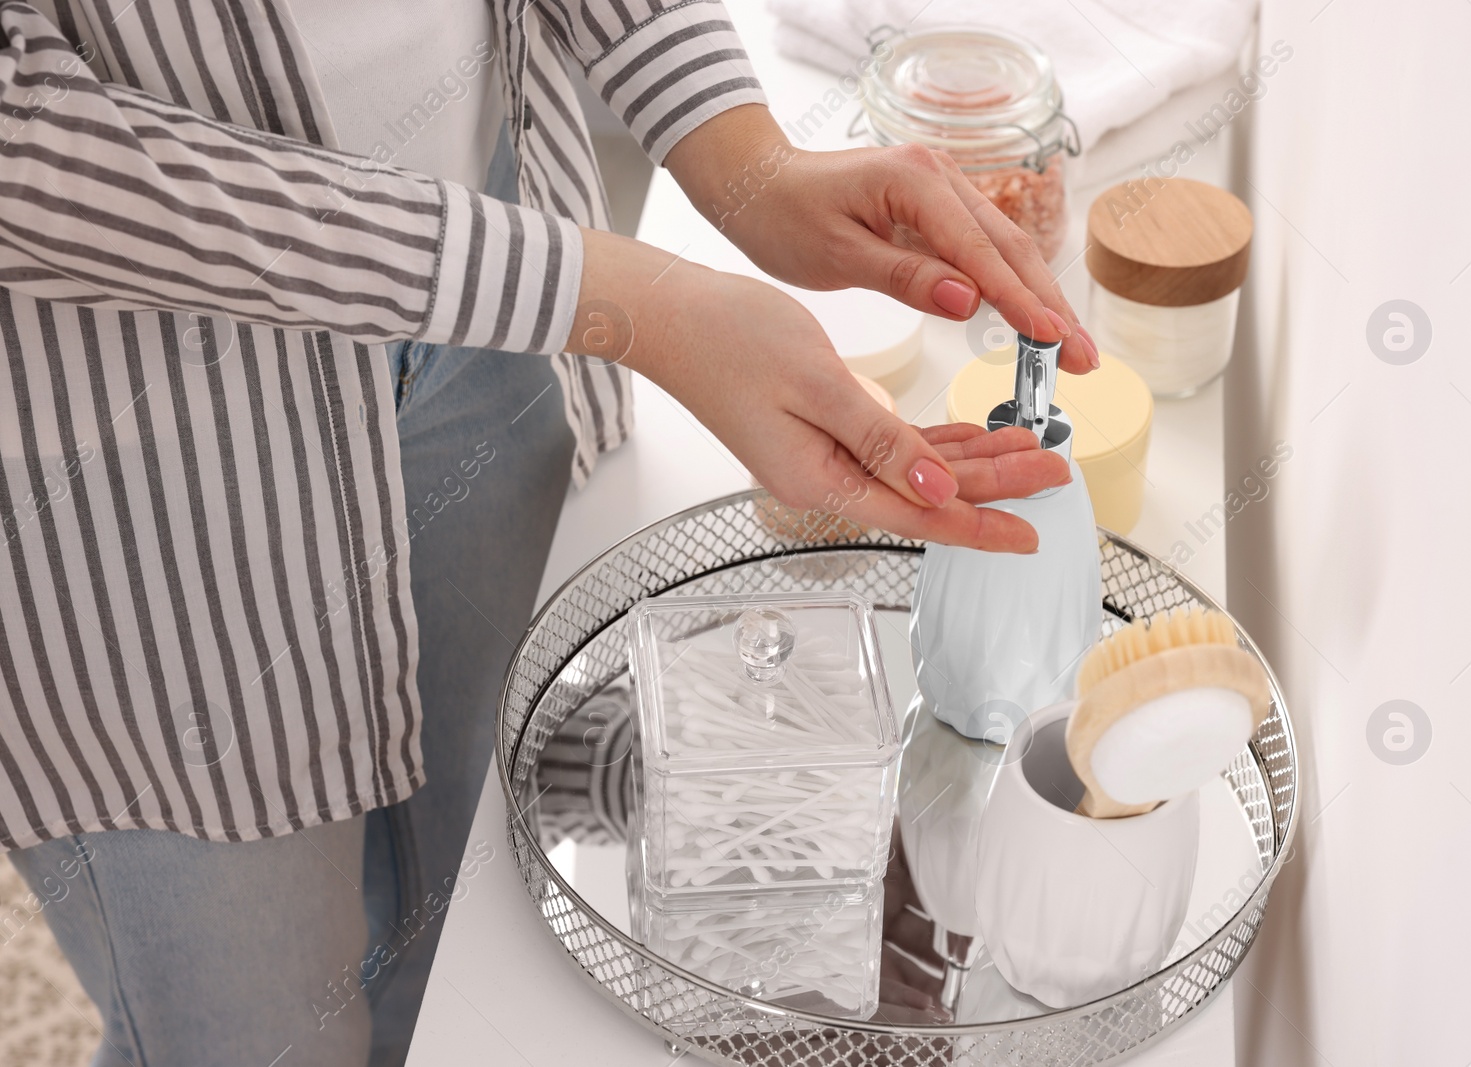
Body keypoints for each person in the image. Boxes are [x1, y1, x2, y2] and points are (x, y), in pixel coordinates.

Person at [0, 1, 1097, 1063]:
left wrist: (741, 157)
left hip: (485, 302)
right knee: (266, 1031)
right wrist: (630, 301)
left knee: (466, 898)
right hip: (138, 459)